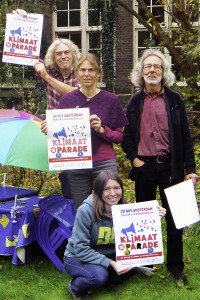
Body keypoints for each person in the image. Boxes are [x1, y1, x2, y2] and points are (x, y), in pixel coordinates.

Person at [121, 48, 199, 285]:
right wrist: (135, 159)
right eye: (147, 66)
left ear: (164, 72)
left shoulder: (174, 99)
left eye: (157, 66)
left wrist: (191, 169)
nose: (152, 70)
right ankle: (145, 264)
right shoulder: (135, 101)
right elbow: (127, 137)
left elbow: (185, 136)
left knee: (175, 219)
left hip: (171, 168)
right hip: (144, 168)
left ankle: (175, 267)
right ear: (140, 72)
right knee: (145, 219)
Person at [41, 53, 129, 209]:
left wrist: (101, 129)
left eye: (91, 70)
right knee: (82, 209)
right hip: (76, 164)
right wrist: (50, 129)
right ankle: (86, 235)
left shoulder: (110, 100)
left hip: (104, 162)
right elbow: (60, 134)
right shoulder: (68, 100)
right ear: (77, 73)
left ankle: (109, 234)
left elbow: (119, 136)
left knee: (111, 207)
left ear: (98, 73)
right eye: (83, 70)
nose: (87, 74)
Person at [63, 170, 166, 299]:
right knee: (99, 276)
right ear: (98, 191)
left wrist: (154, 218)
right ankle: (75, 287)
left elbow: (138, 233)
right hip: (77, 257)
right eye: (106, 189)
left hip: (108, 253)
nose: (112, 193)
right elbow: (80, 248)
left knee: (137, 260)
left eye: (116, 188)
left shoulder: (127, 209)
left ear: (122, 189)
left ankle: (111, 280)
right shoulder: (86, 211)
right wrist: (112, 263)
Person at [13, 9, 81, 109]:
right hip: (53, 123)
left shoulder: (81, 72)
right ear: (53, 58)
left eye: (66, 52)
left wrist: (47, 77)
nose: (63, 56)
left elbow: (76, 95)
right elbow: (25, 53)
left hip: (75, 123)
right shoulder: (49, 69)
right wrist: (22, 22)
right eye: (58, 54)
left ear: (73, 54)